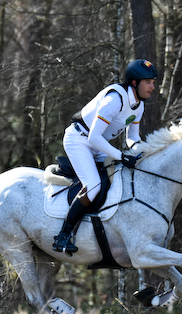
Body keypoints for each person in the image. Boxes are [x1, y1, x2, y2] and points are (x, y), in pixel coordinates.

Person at [52, 59, 158, 255]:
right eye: (148, 82)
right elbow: (93, 136)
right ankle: (63, 235)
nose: (152, 87)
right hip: (79, 139)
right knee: (94, 186)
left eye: (153, 82)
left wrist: (141, 153)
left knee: (119, 176)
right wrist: (120, 156)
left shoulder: (139, 106)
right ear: (134, 83)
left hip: (98, 144)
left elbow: (132, 138)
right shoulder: (115, 100)